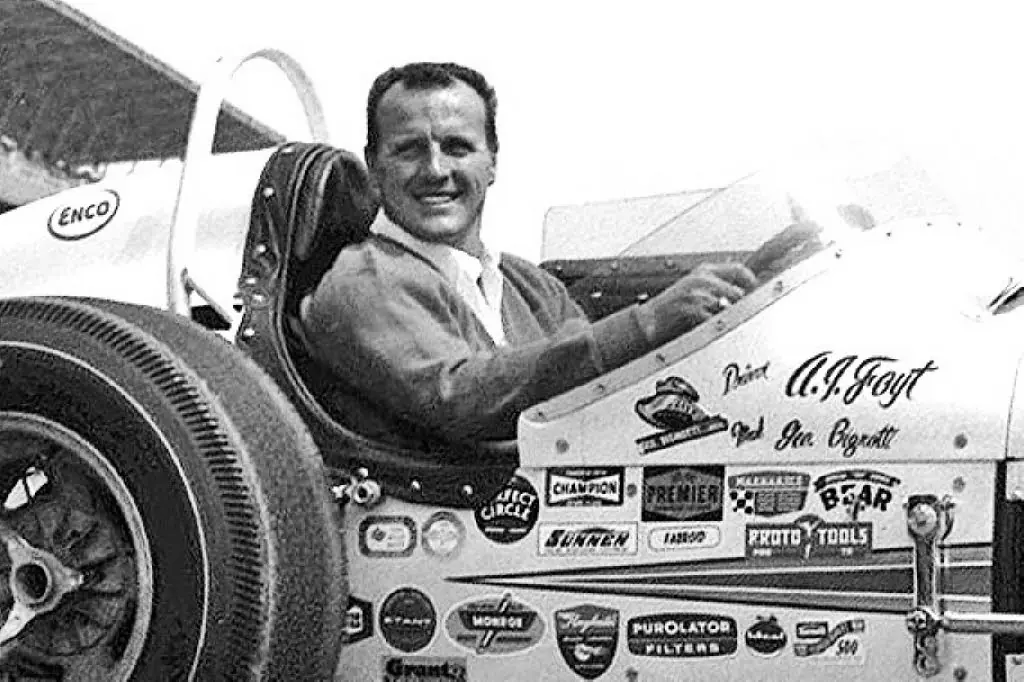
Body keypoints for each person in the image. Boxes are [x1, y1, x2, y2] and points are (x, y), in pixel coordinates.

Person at [300, 61, 760, 449]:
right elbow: (460, 397)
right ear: (375, 168)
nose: (436, 170)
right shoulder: (364, 280)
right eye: (409, 150)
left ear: (492, 161)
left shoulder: (530, 284)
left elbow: (602, 393)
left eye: (458, 147)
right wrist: (650, 321)